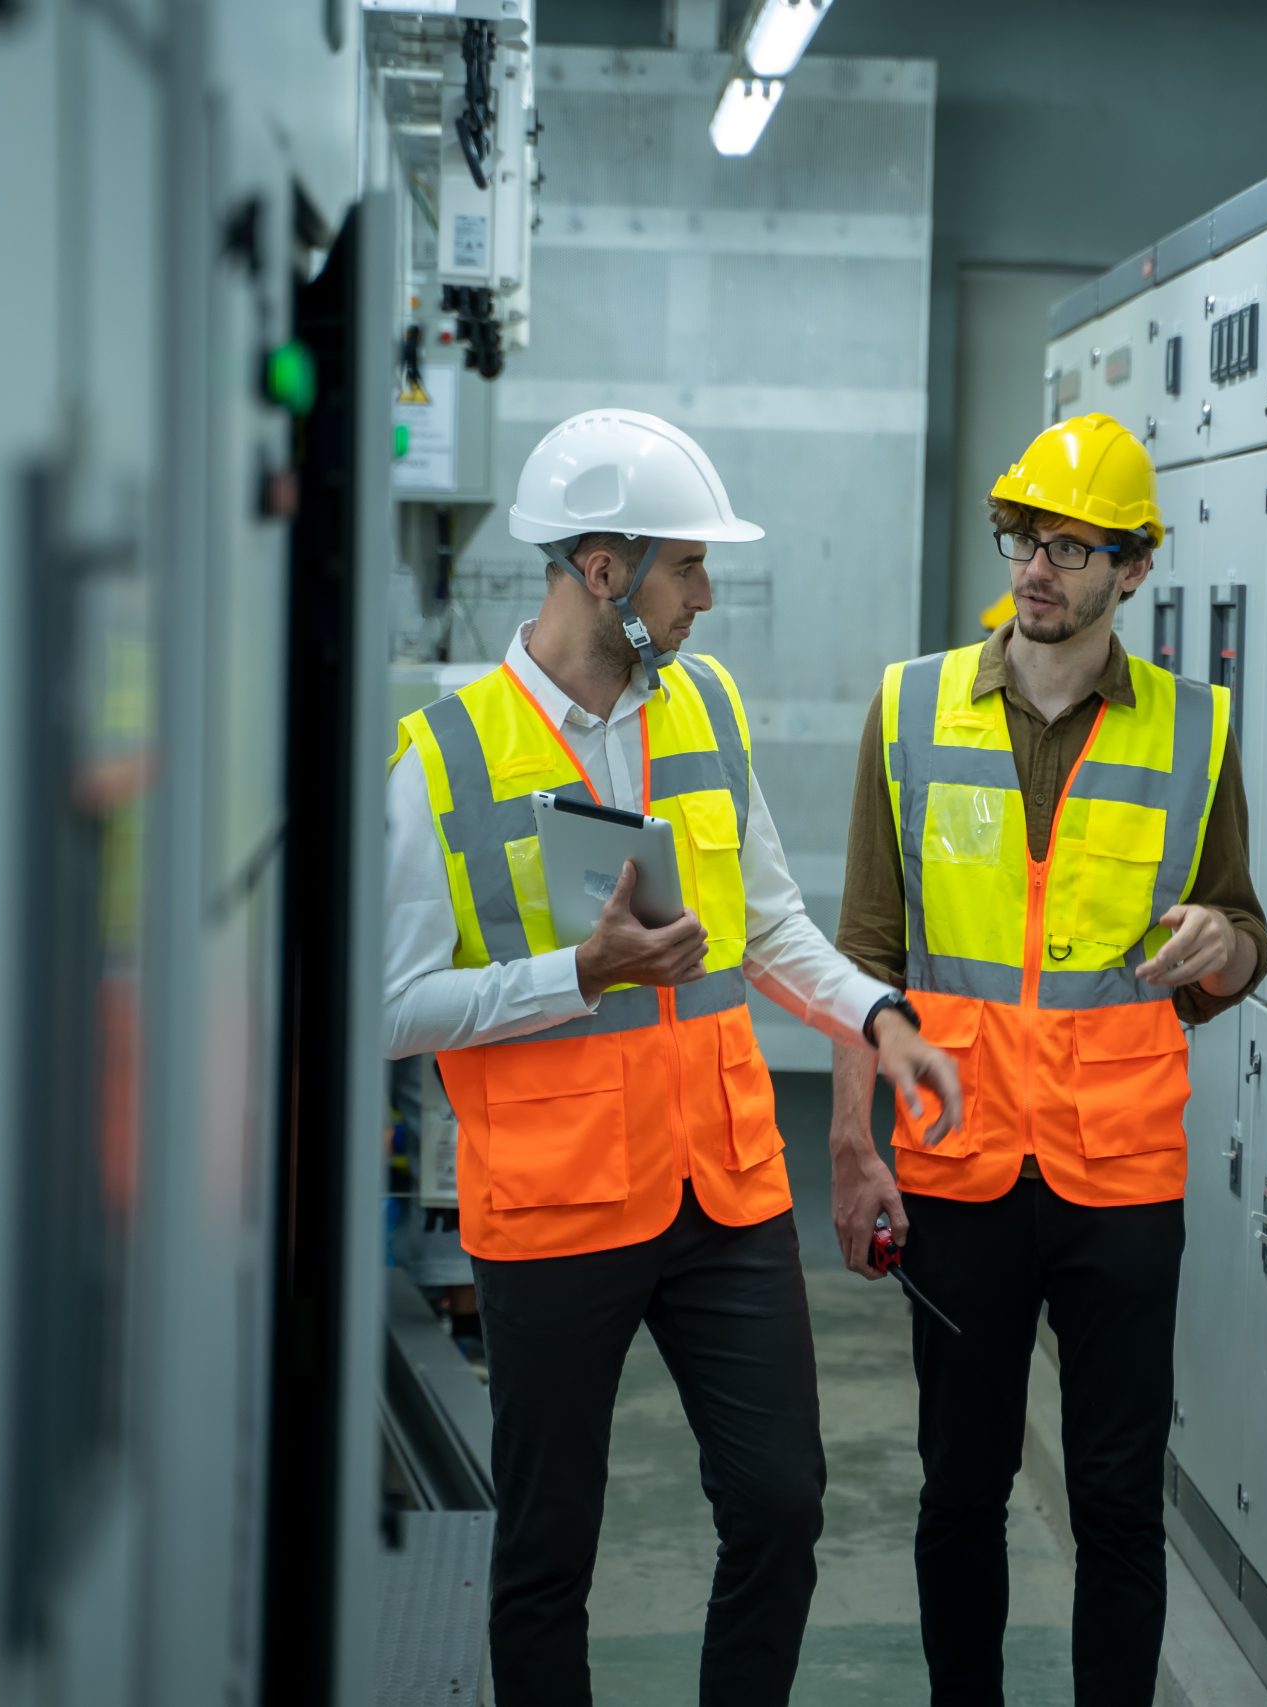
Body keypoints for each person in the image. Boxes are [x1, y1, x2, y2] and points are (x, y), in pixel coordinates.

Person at [382, 407, 962, 1707]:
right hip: (554, 1208)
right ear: (604, 569)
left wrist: (873, 1014)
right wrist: (572, 978)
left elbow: (770, 926)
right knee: (546, 1559)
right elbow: (387, 1004)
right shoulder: (444, 759)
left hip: (725, 1191)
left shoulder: (704, 707)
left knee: (780, 1507)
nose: (705, 595)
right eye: (687, 567)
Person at [828, 412, 1267, 1705]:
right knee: (960, 1491)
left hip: (1121, 1178)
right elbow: (862, 961)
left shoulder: (1195, 733)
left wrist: (1215, 947)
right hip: (959, 1169)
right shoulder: (910, 710)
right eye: (1027, 537)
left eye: (1074, 549)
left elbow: (1243, 941)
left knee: (1120, 1507)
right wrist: (855, 1151)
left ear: (1132, 571)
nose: (1038, 568)